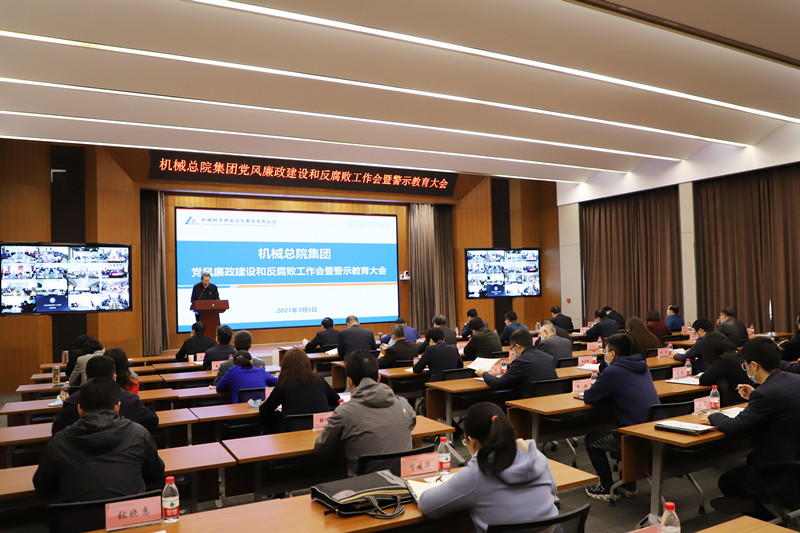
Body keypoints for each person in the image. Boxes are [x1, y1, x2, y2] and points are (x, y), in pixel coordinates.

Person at [417, 402, 558, 533]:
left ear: (473, 442)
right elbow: (553, 489)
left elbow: (428, 506)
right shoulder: (536, 456)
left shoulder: (477, 473)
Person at [700, 338, 800, 520]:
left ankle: (768, 521)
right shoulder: (795, 380)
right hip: (795, 462)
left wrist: (713, 415)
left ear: (754, 365)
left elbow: (735, 427)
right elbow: (780, 404)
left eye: (745, 365)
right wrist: (755, 395)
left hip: (779, 472)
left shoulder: (765, 394)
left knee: (727, 482)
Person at [34, 378, 165, 501]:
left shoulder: (59, 442)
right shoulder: (139, 434)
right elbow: (155, 472)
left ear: (79, 410)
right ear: (117, 407)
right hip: (130, 514)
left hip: (76, 516)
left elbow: (42, 485)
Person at [314, 350, 416, 476]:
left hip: (365, 485)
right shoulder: (403, 403)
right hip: (404, 481)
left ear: (349, 381)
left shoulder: (344, 412)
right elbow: (411, 424)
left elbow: (321, 449)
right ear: (378, 378)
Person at [583, 333, 659, 501]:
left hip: (633, 437)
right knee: (620, 425)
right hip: (652, 433)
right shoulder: (642, 367)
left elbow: (590, 397)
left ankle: (605, 486)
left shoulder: (613, 372)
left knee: (591, 440)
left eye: (606, 351)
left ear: (612, 354)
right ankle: (628, 485)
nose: (604, 353)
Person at [53, 355, 158, 434]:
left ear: (86, 379)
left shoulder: (72, 402)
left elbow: (57, 431)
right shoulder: (130, 399)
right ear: (114, 378)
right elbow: (152, 422)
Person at [259, 348, 339, 432]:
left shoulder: (283, 384)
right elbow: (335, 400)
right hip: (321, 431)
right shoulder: (319, 379)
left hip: (292, 433)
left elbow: (264, 410)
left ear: (285, 365)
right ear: (307, 362)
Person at [476, 328, 557, 398]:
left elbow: (498, 384)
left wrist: (484, 373)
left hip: (530, 402)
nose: (513, 350)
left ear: (518, 347)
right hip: (552, 399)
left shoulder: (521, 361)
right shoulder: (547, 357)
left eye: (512, 348)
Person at [697, 332, 750, 407]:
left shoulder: (724, 360)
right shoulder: (740, 354)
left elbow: (704, 380)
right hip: (749, 398)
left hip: (737, 402)